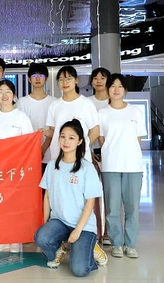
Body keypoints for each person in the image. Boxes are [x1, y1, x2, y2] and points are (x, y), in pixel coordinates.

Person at [34, 119, 105, 277]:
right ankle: (61, 248)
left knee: (79, 270)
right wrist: (45, 224)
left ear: (80, 141)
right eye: (63, 137)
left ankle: (91, 250)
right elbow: (47, 197)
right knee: (41, 237)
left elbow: (90, 202)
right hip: (60, 221)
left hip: (83, 226)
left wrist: (78, 230)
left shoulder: (87, 168)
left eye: (71, 138)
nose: (66, 142)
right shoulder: (52, 166)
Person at [98, 73, 147, 259]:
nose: (116, 89)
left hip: (133, 166)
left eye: (120, 86)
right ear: (108, 89)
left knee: (132, 207)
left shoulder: (135, 111)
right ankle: (116, 243)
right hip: (110, 165)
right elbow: (102, 139)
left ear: (125, 90)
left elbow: (138, 138)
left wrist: (128, 154)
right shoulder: (102, 113)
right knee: (112, 207)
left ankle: (130, 244)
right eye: (112, 86)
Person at [0, 79, 33, 253]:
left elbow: (28, 143)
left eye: (8, 92)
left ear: (14, 95)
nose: (4, 95)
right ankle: (2, 239)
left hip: (16, 169)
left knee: (15, 205)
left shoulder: (21, 117)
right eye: (0, 92)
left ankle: (15, 240)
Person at [16, 63, 55, 173]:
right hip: (27, 155)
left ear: (46, 78)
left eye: (41, 75)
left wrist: (42, 149)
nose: (37, 78)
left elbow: (54, 130)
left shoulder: (54, 102)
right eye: (34, 75)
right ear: (29, 79)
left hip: (50, 156)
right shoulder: (21, 102)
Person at [88, 67, 111, 246]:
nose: (99, 81)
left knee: (111, 194)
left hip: (112, 154)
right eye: (95, 78)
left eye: (102, 78)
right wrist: (88, 150)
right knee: (94, 194)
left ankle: (109, 232)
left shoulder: (114, 102)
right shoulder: (87, 103)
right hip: (91, 153)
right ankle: (95, 230)